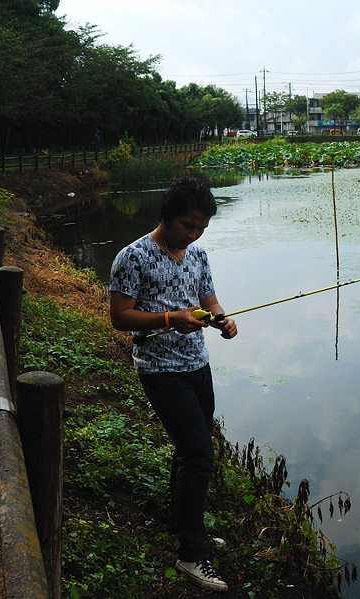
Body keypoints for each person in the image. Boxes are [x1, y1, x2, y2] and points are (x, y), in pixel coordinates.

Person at [109, 176, 237, 592]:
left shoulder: (198, 254)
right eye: (187, 225)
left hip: (198, 366)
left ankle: (187, 527)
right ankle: (191, 554)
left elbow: (209, 300)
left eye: (201, 227)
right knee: (199, 455)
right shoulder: (133, 257)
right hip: (161, 372)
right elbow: (120, 317)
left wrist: (222, 319)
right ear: (167, 216)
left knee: (191, 452)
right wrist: (170, 318)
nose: (194, 234)